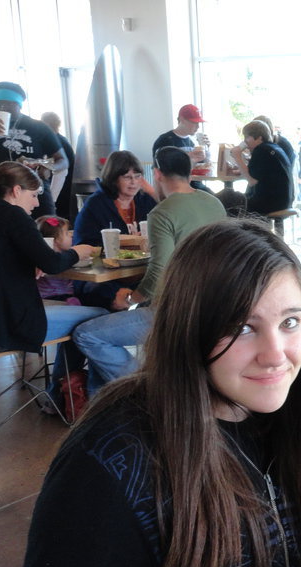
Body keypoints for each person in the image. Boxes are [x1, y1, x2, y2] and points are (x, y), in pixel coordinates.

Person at [16, 222, 301, 567]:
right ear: (189, 327)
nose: (276, 353)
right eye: (242, 327)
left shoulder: (290, 422)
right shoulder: (110, 465)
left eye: (290, 322)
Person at [72, 147, 226, 396]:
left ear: (157, 173)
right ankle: (101, 409)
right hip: (215, 306)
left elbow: (159, 269)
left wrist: (133, 298)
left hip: (175, 311)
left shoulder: (162, 212)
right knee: (102, 329)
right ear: (189, 172)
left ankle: (147, 391)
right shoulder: (213, 203)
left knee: (87, 334)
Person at [0, 162, 104, 409]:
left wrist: (26, 263)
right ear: (15, 190)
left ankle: (61, 395)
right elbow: (53, 263)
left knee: (82, 320)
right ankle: (87, 401)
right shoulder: (11, 215)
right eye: (33, 195)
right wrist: (77, 252)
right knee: (99, 318)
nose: (35, 204)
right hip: (7, 326)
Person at [0, 82, 66, 217]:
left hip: (33, 192)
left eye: (9, 104)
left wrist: (48, 167)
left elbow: (62, 160)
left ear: (19, 105)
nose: (4, 107)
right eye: (0, 104)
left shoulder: (38, 127)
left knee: (45, 231)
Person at [72, 150, 158, 309]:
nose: (133, 182)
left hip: (141, 272)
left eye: (137, 176)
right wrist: (126, 243)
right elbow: (84, 245)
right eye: (127, 177)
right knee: (102, 291)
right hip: (107, 277)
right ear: (113, 178)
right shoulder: (95, 205)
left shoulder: (146, 201)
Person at [229, 120, 293, 223]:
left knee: (229, 200)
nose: (245, 141)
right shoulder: (274, 148)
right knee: (237, 198)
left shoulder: (261, 151)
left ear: (259, 137)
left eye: (247, 137)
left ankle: (240, 237)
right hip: (284, 201)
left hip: (270, 204)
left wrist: (237, 157)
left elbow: (252, 181)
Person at [151, 103, 211, 192]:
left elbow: (201, 166)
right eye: (194, 122)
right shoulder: (165, 140)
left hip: (194, 185)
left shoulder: (192, 142)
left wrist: (206, 149)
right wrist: (187, 158)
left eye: (198, 123)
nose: (198, 126)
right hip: (176, 188)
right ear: (182, 120)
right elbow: (161, 169)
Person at [38, 111, 75, 218]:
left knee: (57, 217)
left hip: (61, 187)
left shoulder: (58, 143)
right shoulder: (60, 140)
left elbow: (62, 170)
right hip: (62, 187)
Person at [36, 216, 77, 302]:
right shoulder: (56, 260)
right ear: (56, 240)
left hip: (45, 298)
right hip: (53, 298)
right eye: (66, 233)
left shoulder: (39, 255)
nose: (71, 235)